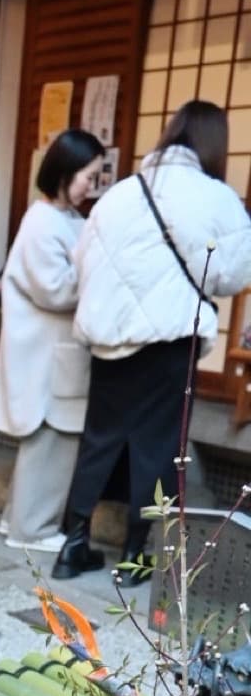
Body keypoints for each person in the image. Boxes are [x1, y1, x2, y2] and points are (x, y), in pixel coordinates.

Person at [58, 100, 251, 581]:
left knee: (99, 440)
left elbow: (83, 262)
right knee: (158, 447)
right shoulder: (215, 197)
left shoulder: (121, 193)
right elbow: (233, 274)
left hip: (107, 340)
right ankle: (134, 558)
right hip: (169, 339)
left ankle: (73, 545)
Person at [0, 128, 105, 553]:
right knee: (51, 439)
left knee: (48, 439)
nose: (91, 186)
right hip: (44, 350)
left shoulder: (64, 219)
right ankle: (32, 529)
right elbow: (56, 291)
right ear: (65, 172)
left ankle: (18, 520)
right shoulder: (43, 222)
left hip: (50, 350)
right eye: (87, 177)